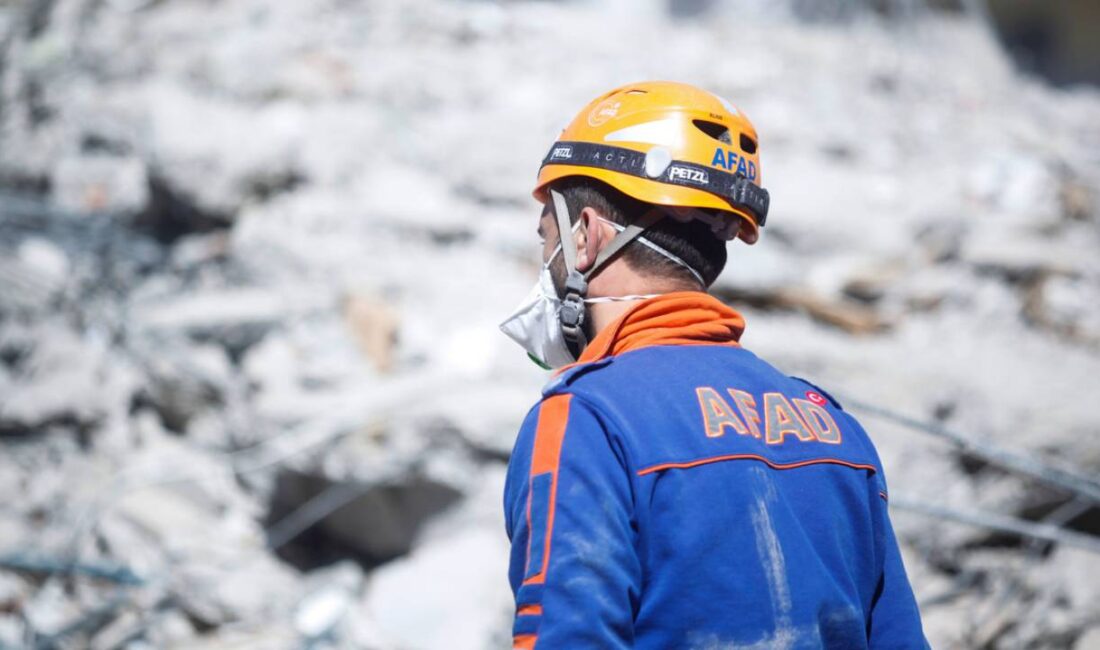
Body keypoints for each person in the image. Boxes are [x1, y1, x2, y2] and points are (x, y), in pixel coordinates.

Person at [498, 81, 928, 649]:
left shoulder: (586, 420)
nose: (544, 264)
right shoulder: (832, 425)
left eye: (545, 237)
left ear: (586, 238)